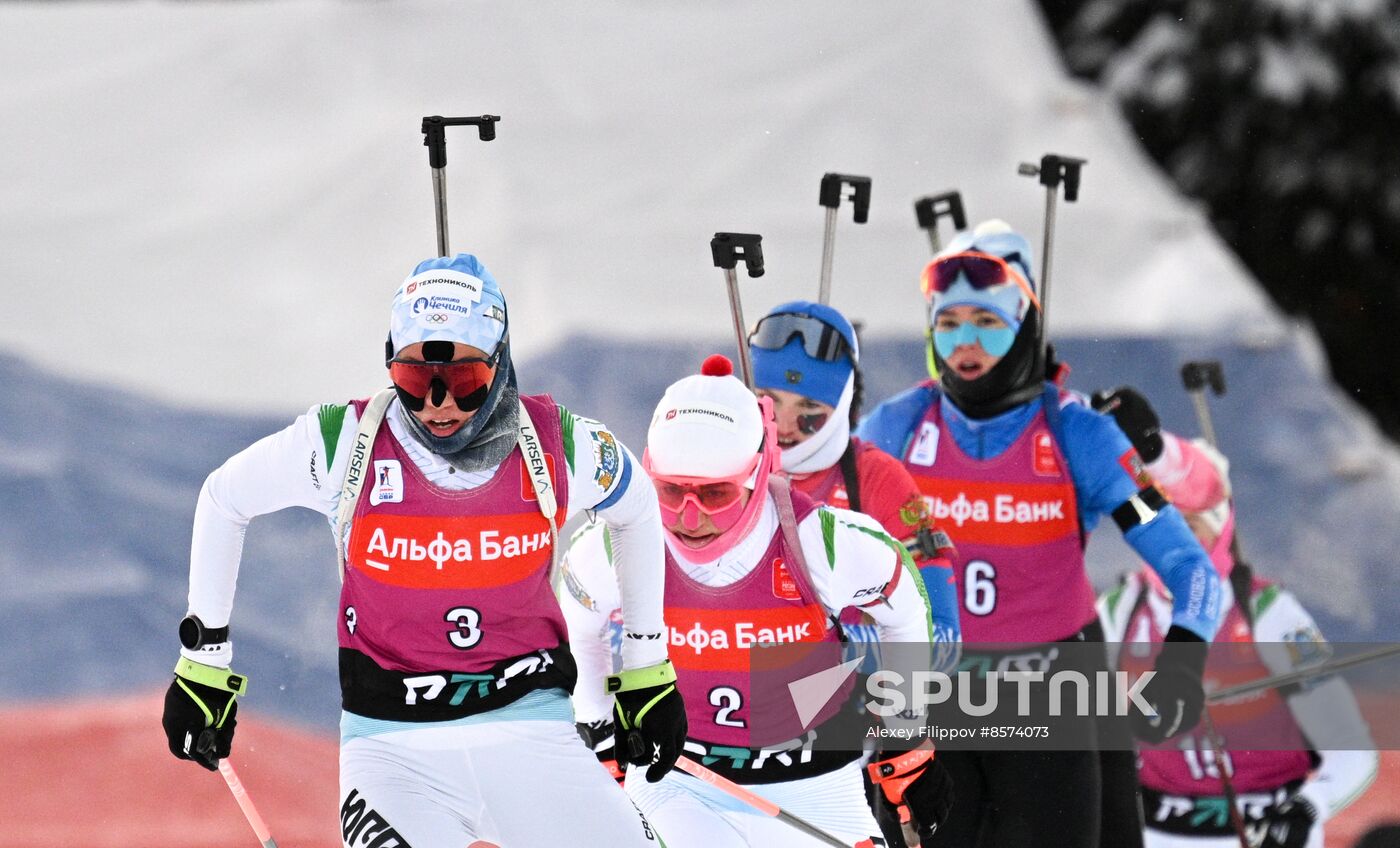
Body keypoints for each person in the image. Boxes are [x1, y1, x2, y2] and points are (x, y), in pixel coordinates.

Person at [160, 253, 685, 847]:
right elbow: (225, 497)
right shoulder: (342, 443)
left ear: (501, 362)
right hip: (394, 753)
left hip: (532, 739)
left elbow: (637, 508)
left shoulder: (556, 443)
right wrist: (203, 662)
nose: (438, 404)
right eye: (413, 379)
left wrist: (646, 667)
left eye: (464, 381)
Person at [855, 220, 1224, 848]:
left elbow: (1191, 567)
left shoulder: (1077, 434)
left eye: (988, 324)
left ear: (1025, 325)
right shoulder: (896, 425)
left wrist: (1183, 663)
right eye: (948, 324)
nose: (966, 343)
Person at [560, 354, 962, 847]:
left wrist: (906, 737)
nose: (689, 517)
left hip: (817, 788)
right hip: (677, 783)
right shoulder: (616, 544)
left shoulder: (821, 543)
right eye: (670, 491)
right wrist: (598, 728)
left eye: (714, 494)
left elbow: (904, 607)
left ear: (760, 470)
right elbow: (579, 621)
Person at [1095, 386, 1379, 848]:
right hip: (1157, 833)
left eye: (1194, 528)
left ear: (1222, 527)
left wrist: (1308, 809)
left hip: (1265, 833)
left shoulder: (1265, 614)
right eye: (1165, 530)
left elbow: (1352, 750)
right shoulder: (1120, 611)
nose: (1178, 550)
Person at [748, 299, 959, 845]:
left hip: (858, 734)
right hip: (740, 727)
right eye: (769, 405)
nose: (787, 429)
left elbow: (941, 630)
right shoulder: (725, 469)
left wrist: (858, 646)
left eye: (810, 413)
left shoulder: (876, 480)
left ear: (842, 407)